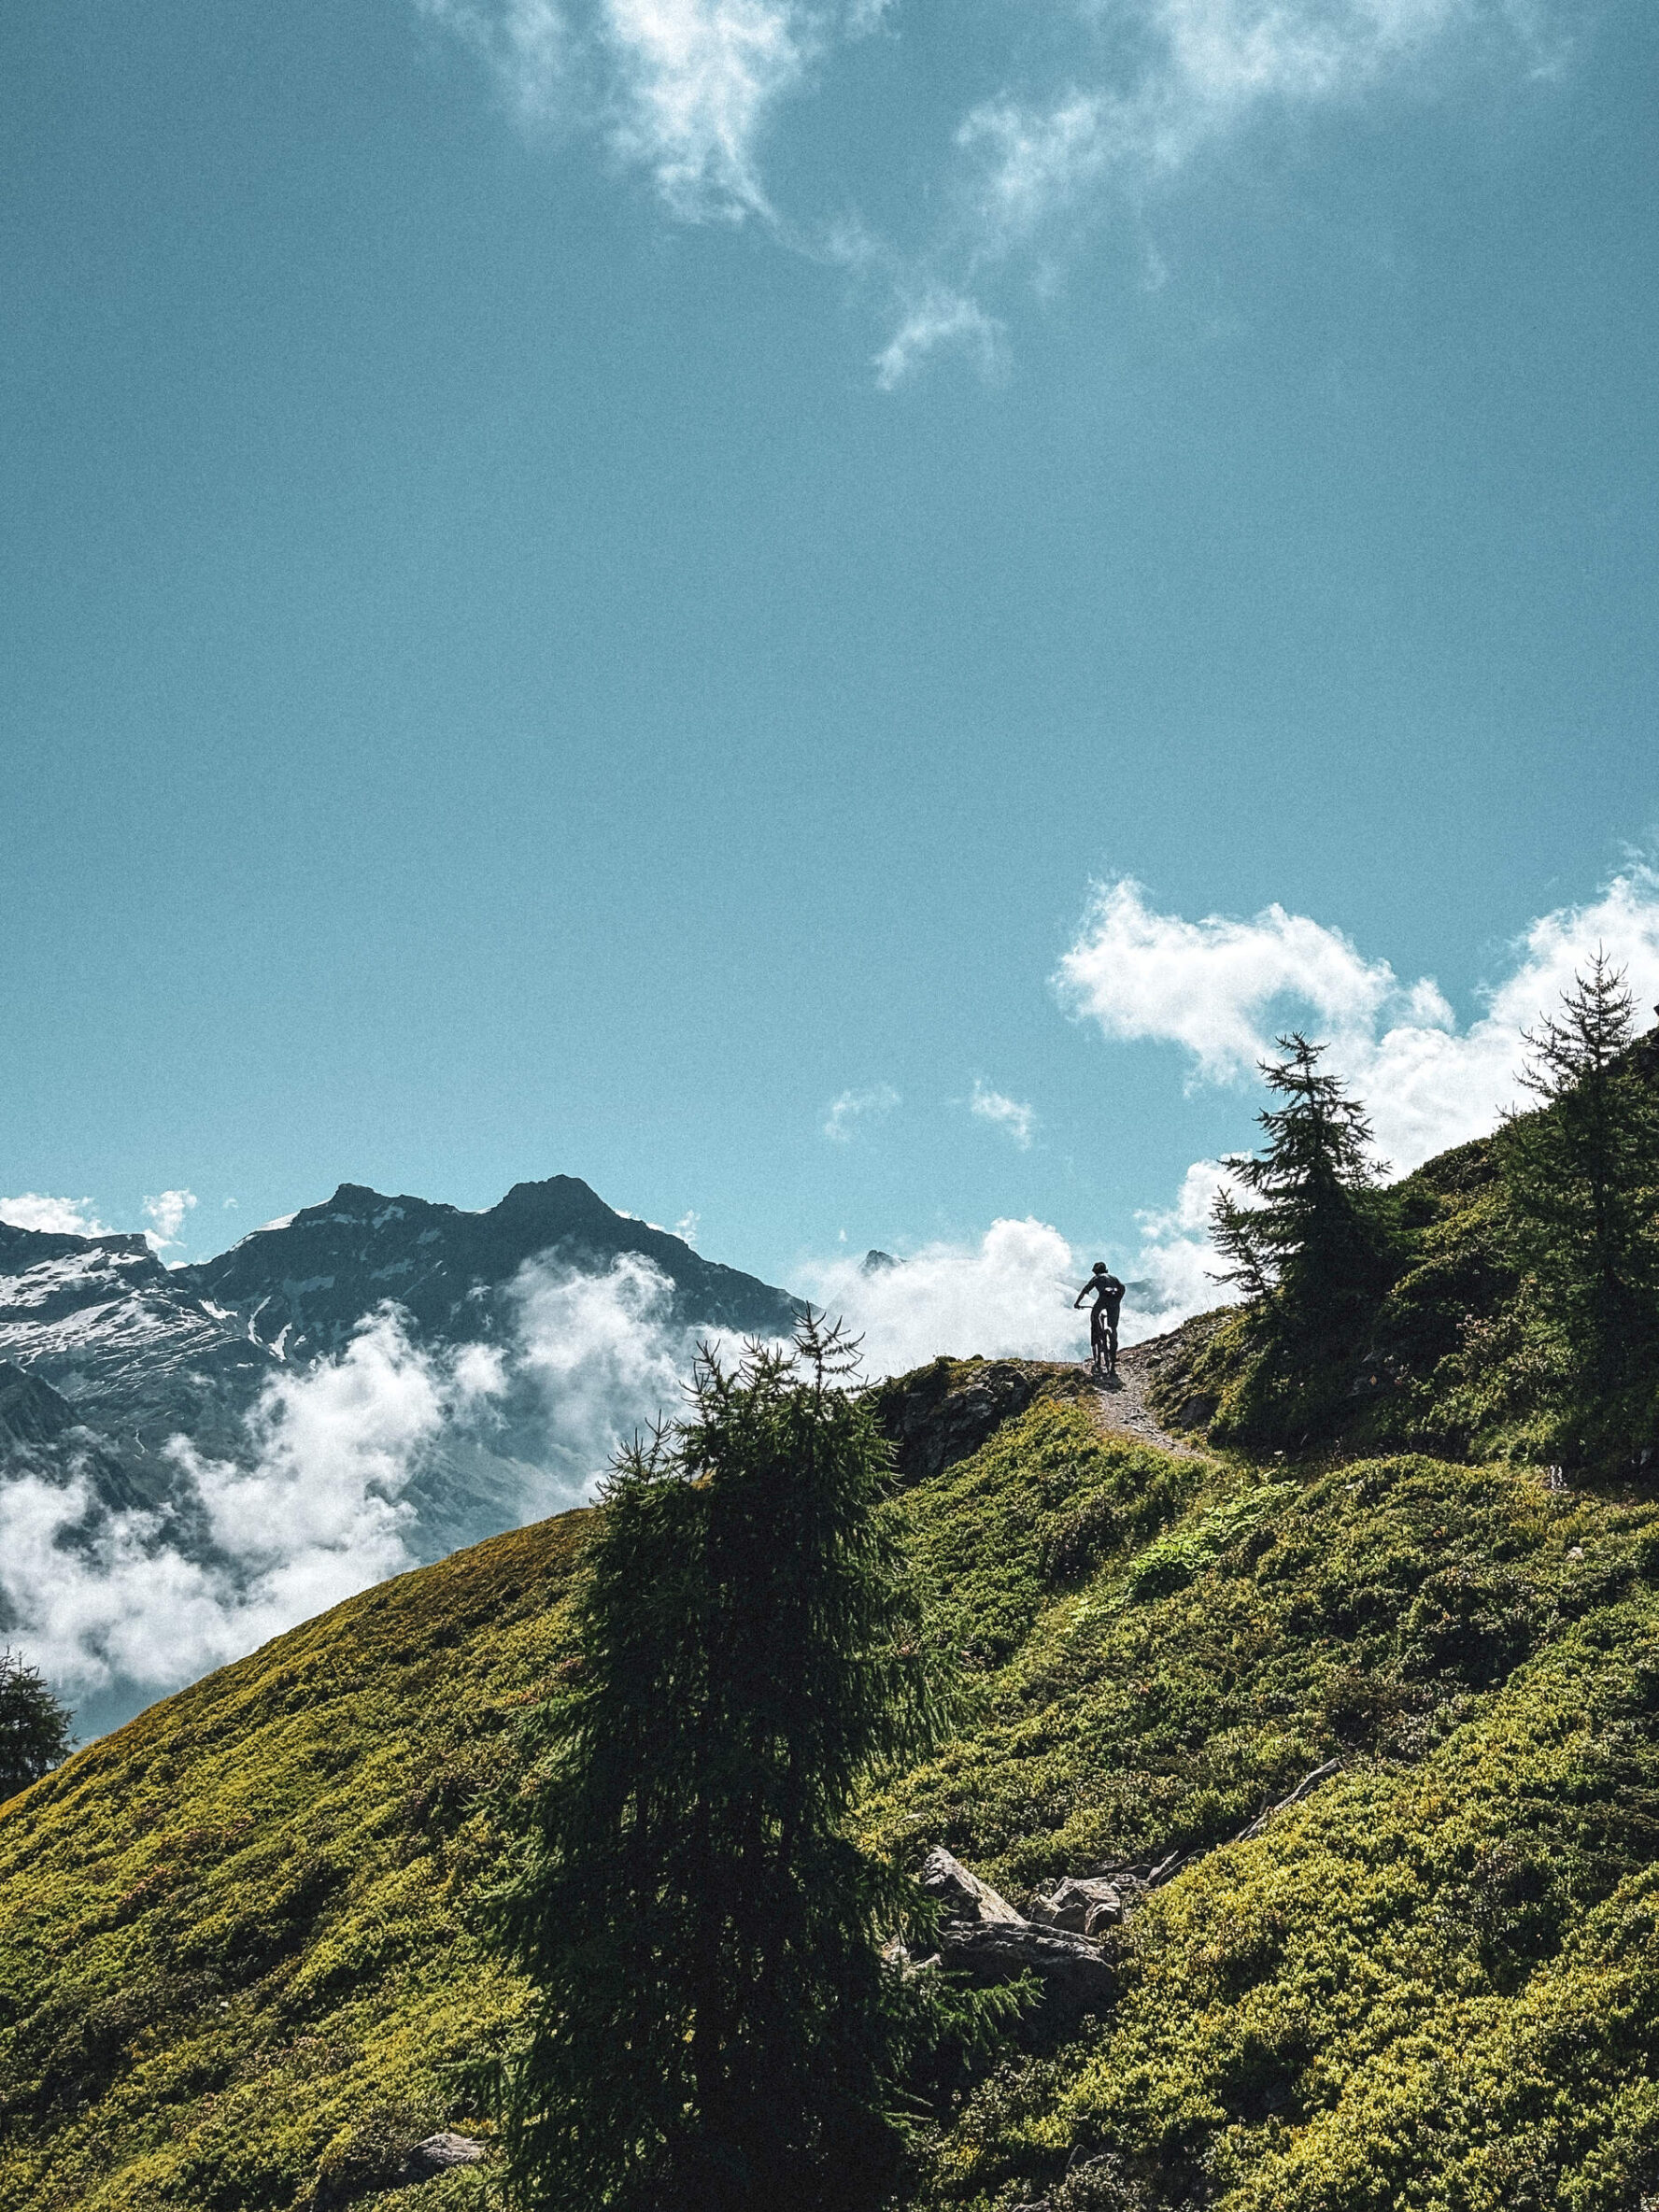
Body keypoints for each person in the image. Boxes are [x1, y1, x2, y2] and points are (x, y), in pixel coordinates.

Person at [1074, 1262, 1125, 1379]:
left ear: (1095, 1271)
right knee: (1113, 1327)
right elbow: (1123, 1288)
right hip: (1115, 1302)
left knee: (1094, 1316)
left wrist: (1077, 1303)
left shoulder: (1097, 1278)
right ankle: (1113, 1346)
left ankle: (1096, 1336)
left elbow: (1085, 1290)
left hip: (1103, 1300)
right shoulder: (1114, 1278)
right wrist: (1118, 1300)